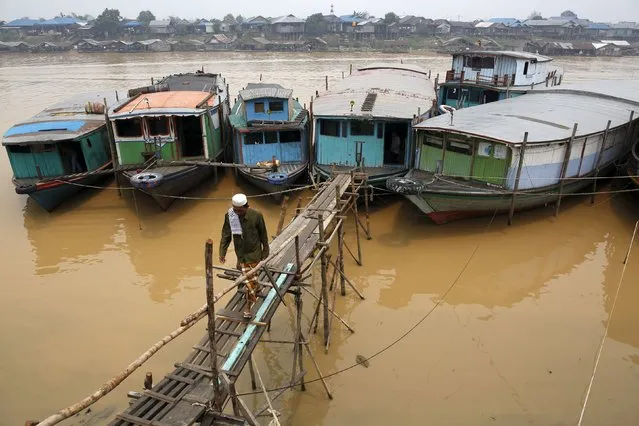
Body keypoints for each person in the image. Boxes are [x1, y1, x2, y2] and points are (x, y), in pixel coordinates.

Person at [219, 193, 270, 319]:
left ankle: (247, 308)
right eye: (235, 210)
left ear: (247, 207)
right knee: (250, 278)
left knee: (248, 280)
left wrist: (265, 250)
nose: (237, 213)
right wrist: (222, 253)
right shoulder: (230, 216)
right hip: (240, 253)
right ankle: (256, 288)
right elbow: (226, 235)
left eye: (240, 211)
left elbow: (263, 234)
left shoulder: (256, 215)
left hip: (254, 252)